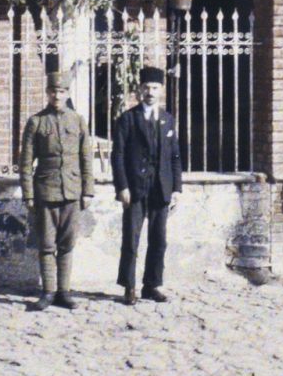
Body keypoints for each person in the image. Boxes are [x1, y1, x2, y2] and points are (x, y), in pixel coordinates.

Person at [17, 68, 95, 311]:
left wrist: (88, 191)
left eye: (61, 92)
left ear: (67, 93)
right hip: (46, 191)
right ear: (47, 93)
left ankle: (64, 292)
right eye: (53, 91)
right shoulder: (37, 122)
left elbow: (86, 158)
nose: (57, 96)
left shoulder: (78, 120)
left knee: (67, 244)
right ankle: (48, 292)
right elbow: (25, 163)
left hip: (72, 191)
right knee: (47, 244)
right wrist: (28, 194)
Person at [111, 65, 183, 304]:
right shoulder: (128, 119)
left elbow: (175, 156)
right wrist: (122, 187)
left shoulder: (168, 120)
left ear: (161, 90)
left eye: (154, 88)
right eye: (146, 88)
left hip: (161, 188)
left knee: (159, 240)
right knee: (131, 239)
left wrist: (177, 189)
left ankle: (151, 285)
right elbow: (118, 155)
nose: (150, 92)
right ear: (139, 90)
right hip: (135, 189)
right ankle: (129, 286)